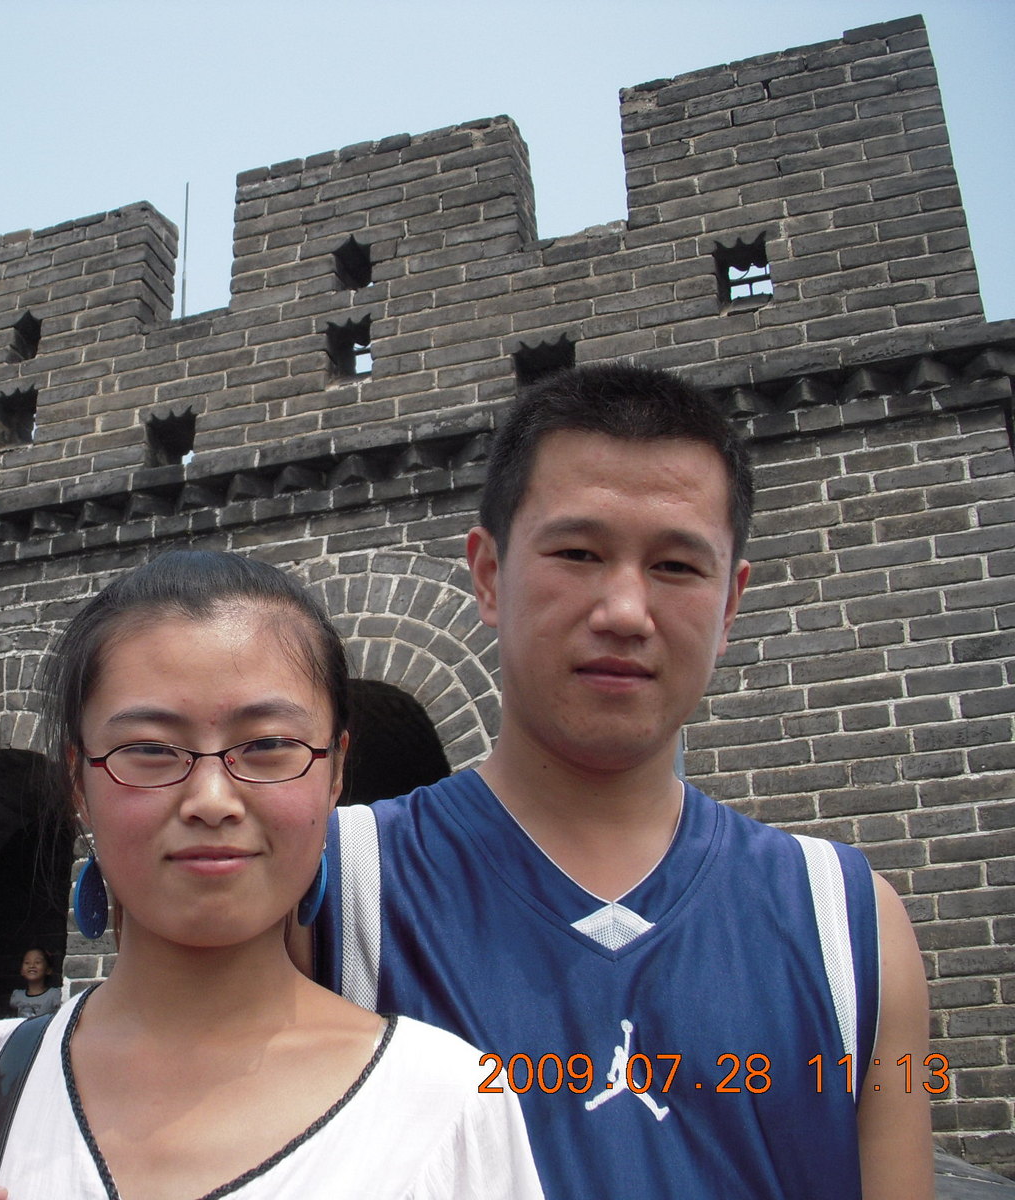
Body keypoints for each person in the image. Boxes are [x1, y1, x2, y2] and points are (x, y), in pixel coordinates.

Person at [307, 364, 933, 1200]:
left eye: (676, 566)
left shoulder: (850, 927)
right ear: (488, 575)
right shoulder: (335, 893)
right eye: (578, 553)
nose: (626, 612)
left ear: (730, 603)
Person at [0, 551, 543, 1200]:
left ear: (335, 770)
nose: (211, 798)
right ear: (78, 781)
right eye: (150, 750)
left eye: (268, 745)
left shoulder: (454, 1105)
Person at [8, 948, 63, 1019]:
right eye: (27, 963)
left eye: (37, 962)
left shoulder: (53, 995)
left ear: (48, 970)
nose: (32, 966)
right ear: (21, 971)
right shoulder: (17, 996)